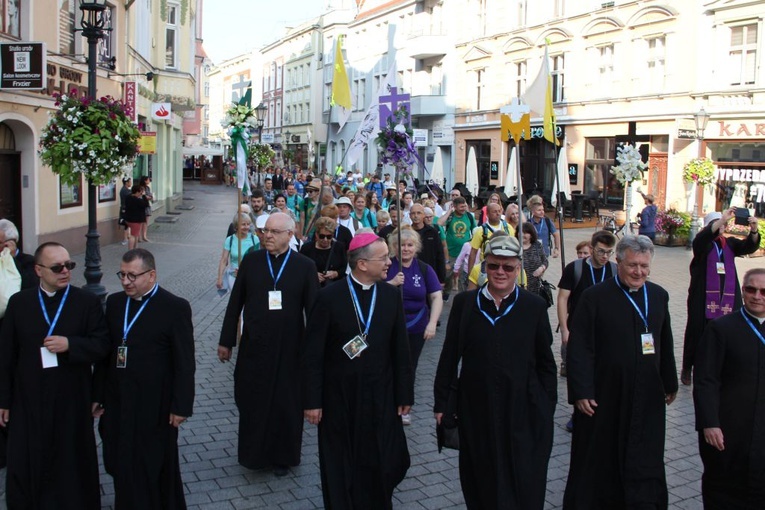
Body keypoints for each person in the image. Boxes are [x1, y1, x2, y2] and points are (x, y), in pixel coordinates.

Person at [434, 234, 557, 509]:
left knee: (523, 478)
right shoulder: (465, 304)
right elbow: (449, 357)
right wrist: (442, 403)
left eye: (508, 267)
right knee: (480, 477)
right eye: (493, 266)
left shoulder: (533, 307)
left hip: (523, 408)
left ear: (517, 268)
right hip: (477, 408)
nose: (500, 272)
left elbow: (547, 363)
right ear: (485, 266)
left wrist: (547, 407)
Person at [564, 235, 678, 509]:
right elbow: (580, 348)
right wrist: (581, 391)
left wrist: (670, 382)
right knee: (601, 456)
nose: (639, 272)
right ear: (618, 262)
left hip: (647, 394)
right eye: (632, 266)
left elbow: (665, 341)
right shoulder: (594, 298)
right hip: (605, 394)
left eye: (644, 266)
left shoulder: (659, 295)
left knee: (644, 454)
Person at [302, 233, 413, 509]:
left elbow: (401, 349)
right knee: (339, 461)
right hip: (338, 397)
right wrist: (312, 401)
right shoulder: (328, 297)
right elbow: (312, 354)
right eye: (383, 258)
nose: (389, 262)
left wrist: (404, 394)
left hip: (381, 396)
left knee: (383, 458)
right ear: (362, 264)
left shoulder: (389, 295)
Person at [0, 242, 110, 509]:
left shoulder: (86, 301)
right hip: (28, 397)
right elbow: (5, 355)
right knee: (28, 457)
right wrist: (3, 400)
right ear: (38, 270)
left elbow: (102, 345)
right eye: (57, 267)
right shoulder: (20, 302)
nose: (65, 271)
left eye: (69, 265)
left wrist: (71, 345)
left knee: (70, 460)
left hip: (71, 396)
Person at [218, 213, 319, 476]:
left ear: (290, 234)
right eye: (265, 231)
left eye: (274, 232)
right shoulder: (252, 262)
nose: (268, 236)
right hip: (255, 345)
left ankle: (282, 457)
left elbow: (314, 312)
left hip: (290, 349)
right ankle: (254, 455)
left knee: (286, 404)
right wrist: (226, 341)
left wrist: (315, 350)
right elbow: (235, 303)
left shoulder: (304, 266)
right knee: (254, 401)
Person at [94, 248, 195, 509]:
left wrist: (181, 405)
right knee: (119, 458)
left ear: (151, 275)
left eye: (133, 276)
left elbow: (185, 362)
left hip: (156, 404)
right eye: (122, 275)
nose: (126, 281)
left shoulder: (175, 307)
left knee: (153, 462)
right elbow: (107, 354)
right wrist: (97, 395)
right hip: (119, 400)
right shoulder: (115, 304)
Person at [693, 267, 765, 509]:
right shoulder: (721, 329)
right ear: (742, 292)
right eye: (751, 290)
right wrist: (709, 422)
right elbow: (706, 379)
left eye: (764, 291)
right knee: (724, 488)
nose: (757, 296)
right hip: (729, 430)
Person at [681, 207, 760, 385]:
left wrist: (754, 229)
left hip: (728, 297)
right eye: (717, 224)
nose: (722, 227)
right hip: (703, 297)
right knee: (696, 332)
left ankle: (725, 365)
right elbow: (702, 238)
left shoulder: (730, 244)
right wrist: (722, 219)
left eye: (724, 225)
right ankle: (688, 366)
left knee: (729, 330)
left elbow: (749, 246)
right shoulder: (703, 244)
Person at [386, 226, 443, 425]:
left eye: (410, 245)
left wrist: (432, 323)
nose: (406, 249)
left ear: (416, 247)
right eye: (402, 245)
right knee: (390, 364)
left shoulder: (424, 269)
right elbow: (372, 289)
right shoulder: (387, 266)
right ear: (394, 247)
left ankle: (405, 405)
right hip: (390, 325)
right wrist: (391, 283)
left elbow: (436, 297)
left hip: (416, 325)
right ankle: (387, 401)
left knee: (409, 366)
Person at [557, 230, 617, 380]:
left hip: (606, 331)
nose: (605, 256)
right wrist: (564, 329)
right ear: (592, 248)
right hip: (579, 328)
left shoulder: (615, 270)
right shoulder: (574, 268)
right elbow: (562, 299)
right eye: (601, 251)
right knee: (579, 372)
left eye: (609, 252)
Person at [299, 217, 347, 287]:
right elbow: (300, 268)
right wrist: (313, 275)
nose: (325, 239)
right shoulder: (307, 248)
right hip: (312, 287)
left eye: (329, 236)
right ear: (316, 235)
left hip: (333, 287)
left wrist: (336, 273)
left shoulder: (339, 247)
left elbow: (344, 267)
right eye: (322, 236)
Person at [216, 213, 259, 292]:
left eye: (248, 224)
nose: (246, 227)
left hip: (250, 276)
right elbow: (224, 260)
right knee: (236, 301)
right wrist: (220, 278)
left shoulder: (254, 239)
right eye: (243, 224)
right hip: (234, 276)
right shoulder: (230, 240)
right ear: (236, 226)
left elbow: (258, 260)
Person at [409, 203, 446, 287]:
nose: (416, 216)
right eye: (413, 213)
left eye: (418, 213)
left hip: (430, 273)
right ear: (409, 215)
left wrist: (441, 279)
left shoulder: (433, 232)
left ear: (423, 215)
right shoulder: (407, 233)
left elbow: (439, 255)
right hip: (412, 273)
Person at [467, 202, 511, 271]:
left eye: (499, 211)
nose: (498, 213)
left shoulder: (508, 228)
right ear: (487, 214)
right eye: (494, 211)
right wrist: (470, 272)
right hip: (487, 268)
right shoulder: (480, 231)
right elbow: (473, 253)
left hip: (505, 267)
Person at [521, 222, 548, 295]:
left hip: (535, 286)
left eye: (525, 233)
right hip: (520, 285)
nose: (522, 235)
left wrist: (541, 268)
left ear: (531, 235)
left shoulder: (537, 245)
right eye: (520, 232)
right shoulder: (515, 246)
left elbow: (545, 261)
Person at [123, 184, 147, 250]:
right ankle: (131, 250)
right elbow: (145, 204)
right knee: (133, 235)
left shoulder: (128, 197)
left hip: (128, 219)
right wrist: (144, 196)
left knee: (136, 234)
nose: (140, 193)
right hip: (135, 221)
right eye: (140, 192)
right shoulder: (138, 200)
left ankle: (135, 248)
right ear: (137, 192)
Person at [139, 175, 154, 242]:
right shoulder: (140, 188)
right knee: (141, 222)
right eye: (148, 179)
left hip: (147, 205)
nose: (149, 180)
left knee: (146, 222)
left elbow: (149, 195)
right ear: (145, 181)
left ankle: (144, 236)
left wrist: (150, 197)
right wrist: (147, 197)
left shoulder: (147, 188)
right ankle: (139, 237)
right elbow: (142, 196)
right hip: (142, 206)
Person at [119, 177, 132, 245]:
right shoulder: (124, 190)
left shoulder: (126, 190)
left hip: (126, 208)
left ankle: (127, 236)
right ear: (126, 182)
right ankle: (125, 239)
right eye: (130, 182)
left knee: (127, 224)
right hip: (125, 209)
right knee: (126, 224)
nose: (131, 183)